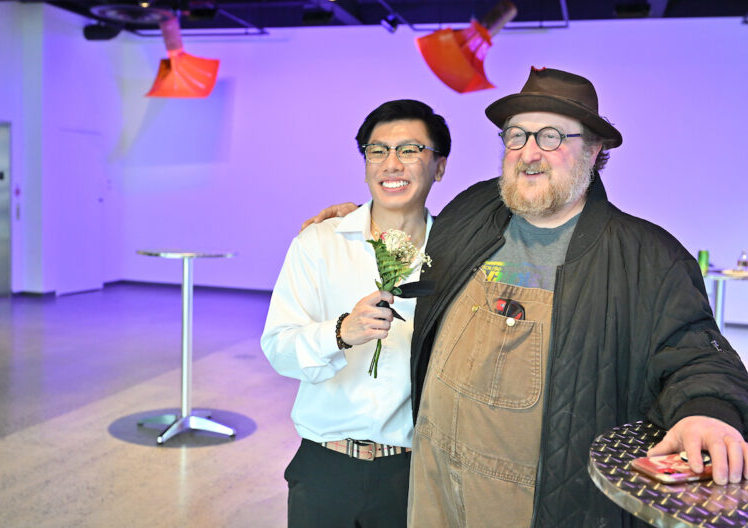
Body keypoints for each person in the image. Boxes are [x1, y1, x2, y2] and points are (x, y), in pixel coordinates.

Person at [303, 67, 748, 527]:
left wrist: (708, 414)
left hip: (533, 497)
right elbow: (421, 241)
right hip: (432, 482)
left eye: (551, 137)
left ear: (594, 150)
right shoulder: (473, 210)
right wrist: (364, 217)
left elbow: (696, 353)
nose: (528, 153)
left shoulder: (646, 256)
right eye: (516, 136)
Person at [261, 99, 450, 527]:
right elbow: (278, 348)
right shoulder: (319, 244)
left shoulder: (456, 253)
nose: (391, 164)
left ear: (439, 166)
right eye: (377, 150)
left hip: (412, 471)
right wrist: (340, 332)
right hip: (326, 467)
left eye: (410, 150)